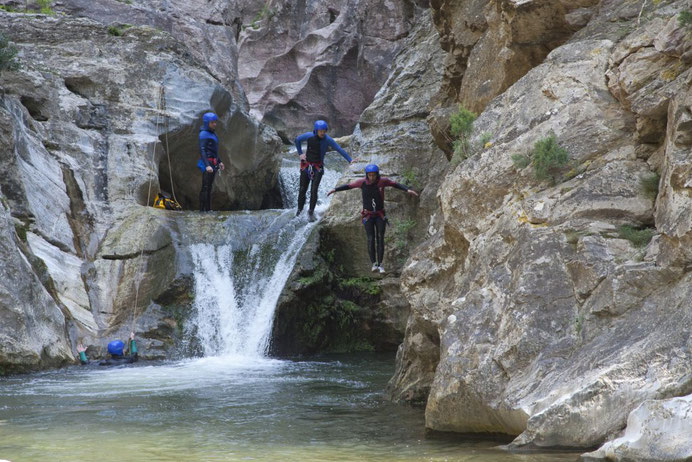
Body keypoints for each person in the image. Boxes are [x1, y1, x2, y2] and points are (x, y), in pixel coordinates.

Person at [327, 164, 418, 274]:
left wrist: (407, 190)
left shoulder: (382, 181)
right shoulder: (362, 182)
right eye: (369, 175)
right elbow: (348, 186)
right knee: (371, 238)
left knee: (380, 239)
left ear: (377, 174)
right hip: (368, 215)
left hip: (380, 215)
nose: (371, 177)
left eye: (373, 175)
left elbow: (395, 184)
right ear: (366, 175)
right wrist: (335, 189)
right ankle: (374, 264)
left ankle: (380, 264)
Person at [294, 120, 356, 222]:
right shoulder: (309, 136)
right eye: (320, 131)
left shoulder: (327, 139)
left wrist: (350, 160)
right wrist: (300, 153)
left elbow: (339, 149)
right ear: (316, 130)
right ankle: (299, 211)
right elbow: (297, 140)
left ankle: (310, 212)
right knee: (302, 190)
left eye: (324, 131)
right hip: (306, 166)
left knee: (314, 190)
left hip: (318, 168)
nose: (322, 133)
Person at [197, 112, 225, 212]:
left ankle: (208, 209)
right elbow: (202, 150)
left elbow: (214, 150)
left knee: (209, 187)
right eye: (212, 122)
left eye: (215, 122)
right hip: (207, 163)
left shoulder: (212, 133)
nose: (214, 124)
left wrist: (219, 161)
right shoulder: (203, 134)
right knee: (205, 187)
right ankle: (202, 209)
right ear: (207, 123)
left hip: (213, 162)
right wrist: (207, 165)